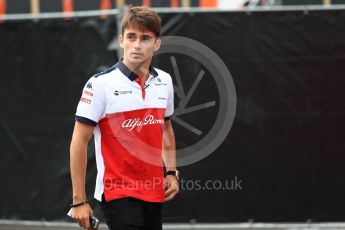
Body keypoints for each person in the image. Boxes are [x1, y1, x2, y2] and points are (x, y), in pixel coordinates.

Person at [69, 6, 179, 230]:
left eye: (145, 38)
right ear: (121, 40)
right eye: (131, 37)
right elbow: (78, 141)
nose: (137, 45)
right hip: (117, 192)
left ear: (156, 44)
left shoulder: (165, 81)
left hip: (153, 189)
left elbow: (166, 128)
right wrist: (79, 200)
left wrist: (171, 172)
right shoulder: (100, 84)